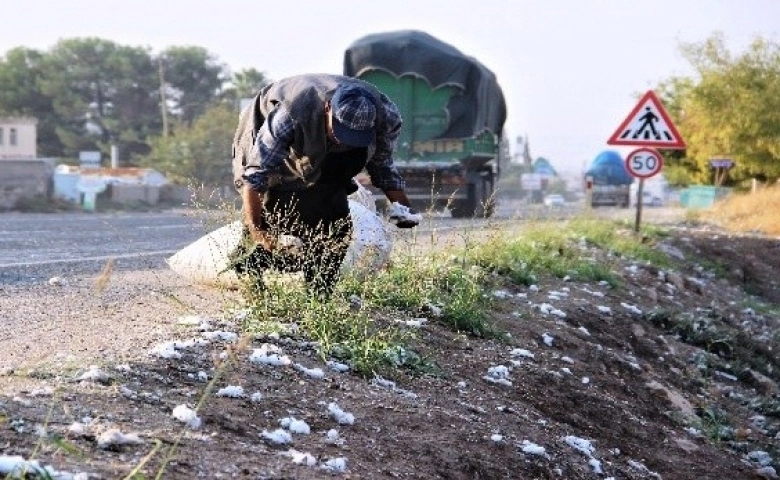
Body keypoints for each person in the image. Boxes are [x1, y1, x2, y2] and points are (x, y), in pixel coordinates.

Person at [230, 73, 420, 297]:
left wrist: (402, 208)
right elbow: (255, 177)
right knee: (275, 207)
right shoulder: (289, 115)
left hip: (326, 164)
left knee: (336, 225)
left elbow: (382, 164)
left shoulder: (385, 117)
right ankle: (250, 273)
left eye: (354, 137)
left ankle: (319, 297)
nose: (343, 141)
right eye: (340, 132)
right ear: (329, 108)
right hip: (268, 131)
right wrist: (258, 231)